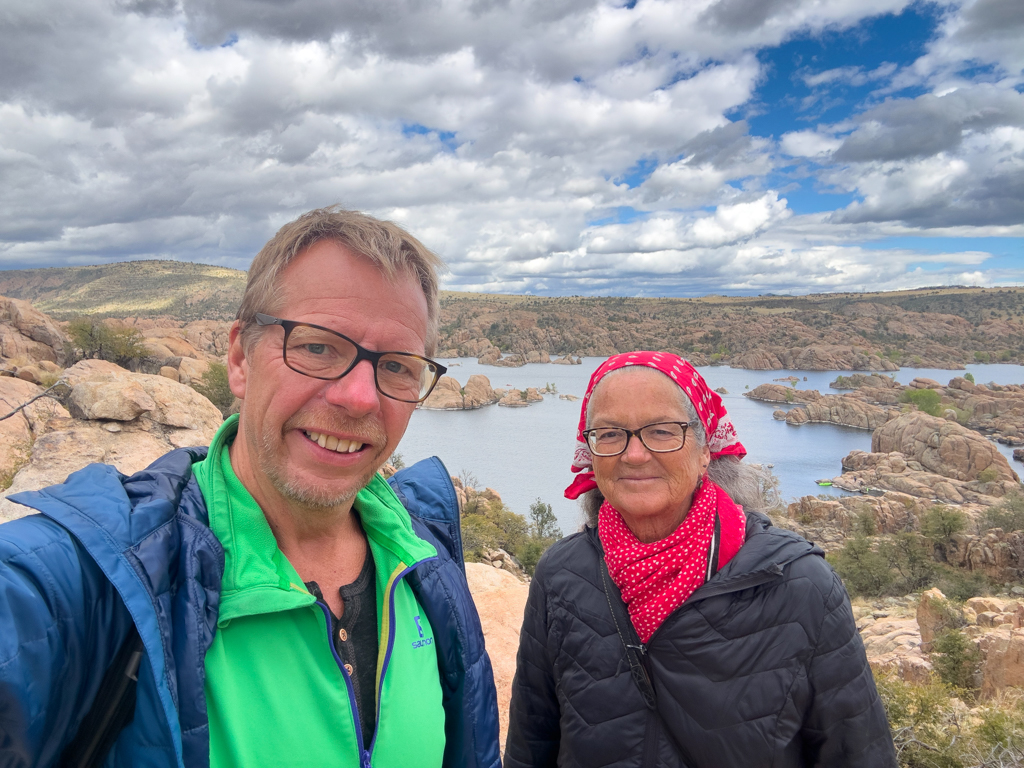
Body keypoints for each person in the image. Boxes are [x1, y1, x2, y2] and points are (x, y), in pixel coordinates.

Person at [0, 207, 501, 768]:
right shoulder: (97, 580)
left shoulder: (425, 560)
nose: (359, 398)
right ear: (240, 359)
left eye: (398, 366)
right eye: (317, 347)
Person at [504, 352, 897, 768]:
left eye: (661, 431)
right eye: (610, 433)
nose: (634, 454)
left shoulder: (800, 585)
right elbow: (532, 743)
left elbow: (858, 753)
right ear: (591, 449)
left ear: (705, 449)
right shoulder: (561, 575)